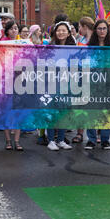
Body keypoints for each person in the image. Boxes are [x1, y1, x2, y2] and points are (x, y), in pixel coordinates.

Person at [84, 20, 110, 151]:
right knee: (92, 111)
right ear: (95, 30)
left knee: (107, 112)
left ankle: (105, 140)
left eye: (104, 28)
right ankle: (91, 140)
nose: (102, 31)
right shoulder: (89, 45)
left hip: (109, 83)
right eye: (99, 28)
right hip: (92, 83)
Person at [46, 21, 76, 151]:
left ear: (69, 33)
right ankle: (51, 140)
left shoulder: (74, 48)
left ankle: (61, 139)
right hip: (53, 83)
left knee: (63, 112)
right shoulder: (50, 47)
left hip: (67, 84)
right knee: (52, 112)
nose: (61, 32)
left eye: (64, 30)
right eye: (58, 30)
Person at [0, 20, 23, 150]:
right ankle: (8, 140)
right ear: (7, 31)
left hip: (19, 81)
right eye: (12, 28)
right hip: (5, 81)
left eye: (16, 28)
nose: (14, 31)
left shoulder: (24, 43)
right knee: (6, 111)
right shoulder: (1, 43)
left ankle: (17, 141)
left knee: (18, 111)